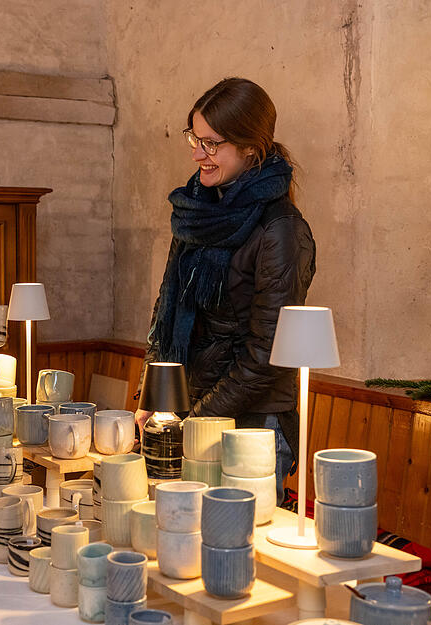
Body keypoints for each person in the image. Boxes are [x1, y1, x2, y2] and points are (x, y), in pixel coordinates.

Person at [136, 78, 316, 504]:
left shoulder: (281, 230)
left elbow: (266, 354)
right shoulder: (195, 213)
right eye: (195, 139)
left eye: (212, 144)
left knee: (235, 557)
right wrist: (153, 394)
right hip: (190, 411)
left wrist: (194, 423)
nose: (198, 153)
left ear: (250, 147)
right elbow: (167, 308)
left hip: (252, 426)